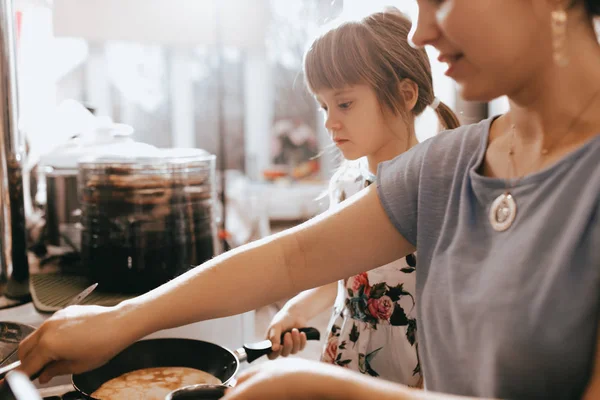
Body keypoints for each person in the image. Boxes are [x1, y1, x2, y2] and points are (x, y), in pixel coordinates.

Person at [18, 1, 600, 399]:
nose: (421, 32)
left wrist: (321, 389)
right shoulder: (448, 165)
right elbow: (293, 259)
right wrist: (119, 321)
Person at [264, 9, 459, 388]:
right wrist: (296, 309)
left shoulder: (435, 184)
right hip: (347, 350)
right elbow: (340, 273)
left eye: (344, 104)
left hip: (414, 369)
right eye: (324, 106)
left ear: (404, 95)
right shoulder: (345, 184)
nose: (329, 122)